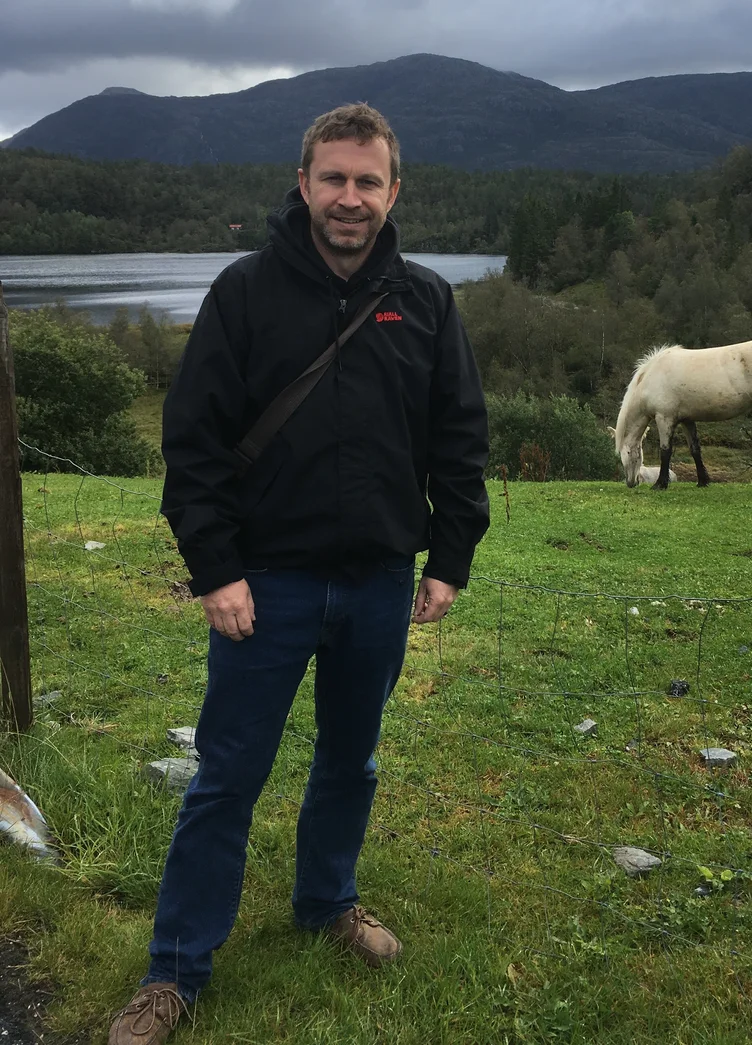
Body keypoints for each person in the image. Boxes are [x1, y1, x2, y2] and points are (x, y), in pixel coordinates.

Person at [109, 103, 490, 1044]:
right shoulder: (243, 293)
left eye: (368, 181)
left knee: (349, 760)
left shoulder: (428, 302)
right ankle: (175, 970)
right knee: (227, 775)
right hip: (263, 589)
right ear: (303, 183)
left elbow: (459, 437)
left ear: (394, 191)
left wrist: (449, 557)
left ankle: (327, 902)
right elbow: (192, 445)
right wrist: (216, 571)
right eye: (334, 179)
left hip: (375, 585)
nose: (349, 198)